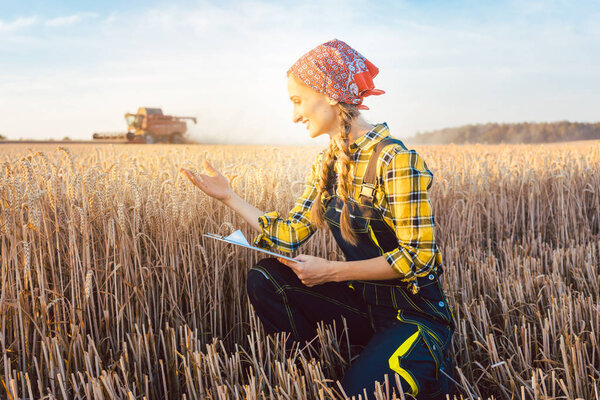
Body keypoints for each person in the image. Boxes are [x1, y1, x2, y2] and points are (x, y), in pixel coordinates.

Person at [181, 39, 455, 399]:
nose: (294, 115)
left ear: (329, 94)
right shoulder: (325, 163)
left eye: (297, 101)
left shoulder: (395, 160)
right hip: (364, 306)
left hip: (413, 314)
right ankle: (315, 375)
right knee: (266, 278)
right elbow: (290, 234)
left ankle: (394, 366)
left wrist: (331, 271)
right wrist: (230, 197)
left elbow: (419, 258)